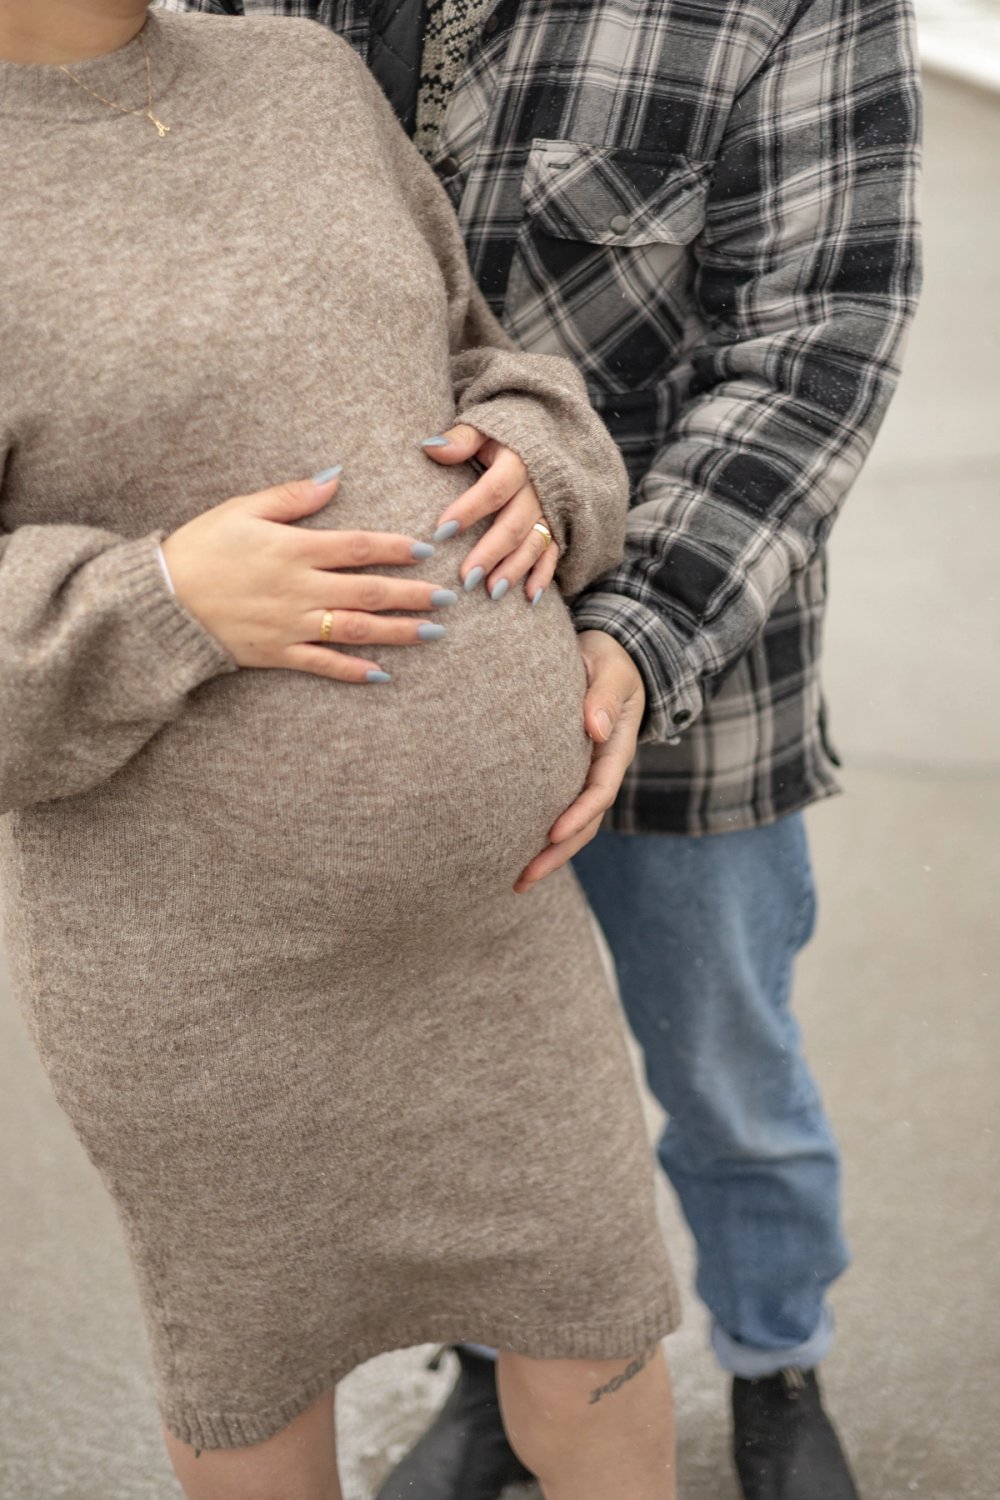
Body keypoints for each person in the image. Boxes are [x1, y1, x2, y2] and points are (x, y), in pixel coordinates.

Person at [163, 1, 923, 1497]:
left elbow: (817, 346)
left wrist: (632, 637)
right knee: (473, 1092)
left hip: (690, 687)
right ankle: (503, 1374)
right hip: (399, 703)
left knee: (727, 1074)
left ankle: (776, 1362)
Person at [0, 5, 688, 1499]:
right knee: (255, 1390)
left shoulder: (301, 74)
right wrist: (162, 597)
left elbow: (475, 356)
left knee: (600, 1337)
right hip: (202, 984)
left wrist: (542, 464)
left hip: (492, 933)